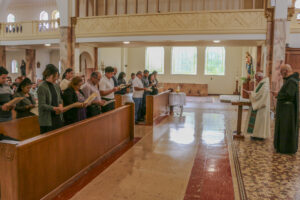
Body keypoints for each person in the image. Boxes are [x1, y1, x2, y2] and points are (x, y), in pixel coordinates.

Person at [274, 64, 299, 154]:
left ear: (286, 71)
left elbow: (289, 95)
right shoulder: (290, 80)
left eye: (281, 72)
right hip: (286, 110)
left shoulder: (291, 81)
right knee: (284, 129)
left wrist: (278, 94)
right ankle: (282, 147)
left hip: (288, 112)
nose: (281, 74)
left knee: (286, 129)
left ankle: (286, 148)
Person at [37, 64, 64, 134]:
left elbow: (59, 99)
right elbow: (42, 105)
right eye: (56, 76)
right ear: (51, 75)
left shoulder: (56, 86)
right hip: (47, 120)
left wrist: (60, 105)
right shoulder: (42, 86)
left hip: (57, 117)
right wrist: (55, 108)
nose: (57, 78)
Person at [244, 72, 270, 140]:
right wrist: (252, 93)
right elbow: (258, 93)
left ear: (260, 77)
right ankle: (256, 135)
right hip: (259, 106)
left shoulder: (265, 84)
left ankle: (260, 136)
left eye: (256, 79)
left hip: (261, 107)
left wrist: (251, 93)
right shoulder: (262, 83)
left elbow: (259, 95)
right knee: (257, 121)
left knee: (260, 121)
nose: (256, 80)